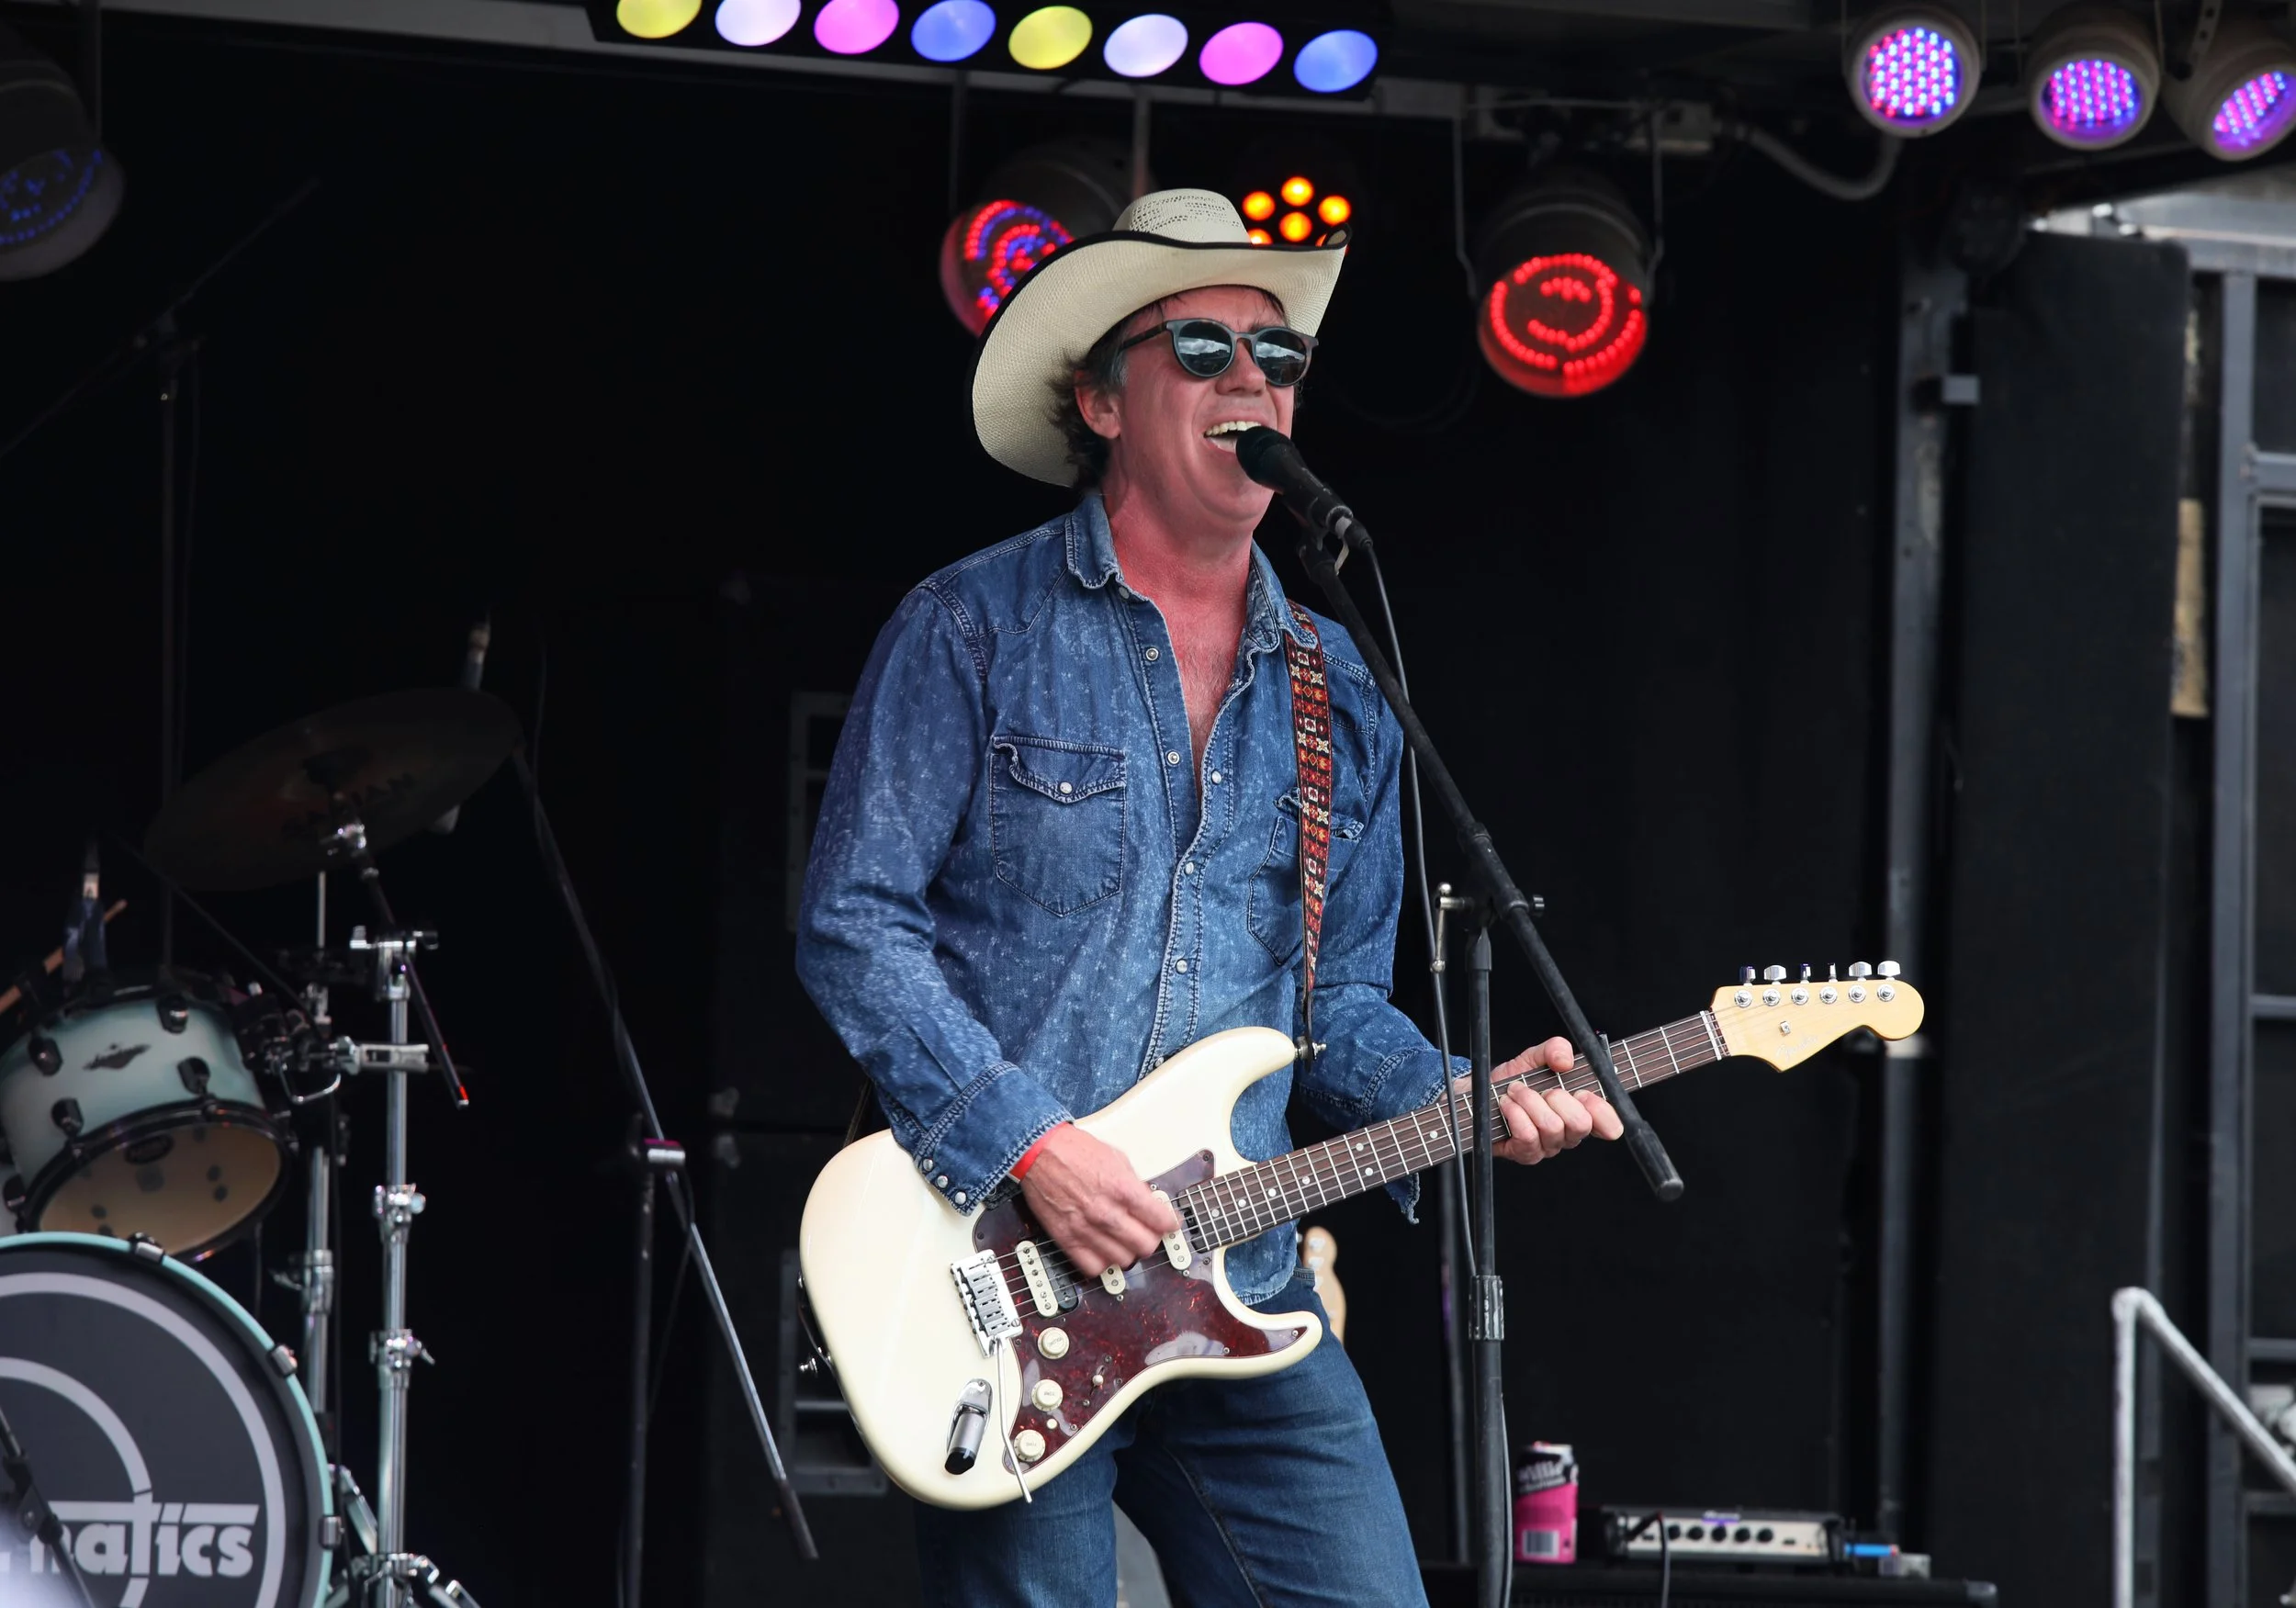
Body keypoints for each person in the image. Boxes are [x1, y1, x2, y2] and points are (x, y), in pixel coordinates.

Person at [796, 187, 1624, 1608]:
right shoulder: (970, 628)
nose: (1254, 380)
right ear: (1101, 401)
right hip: (1009, 1278)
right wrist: (1034, 1146)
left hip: (1240, 1283)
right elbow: (853, 923)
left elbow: (1335, 1008)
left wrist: (1466, 1092)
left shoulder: (1340, 688)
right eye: (1203, 349)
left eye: (1280, 358)